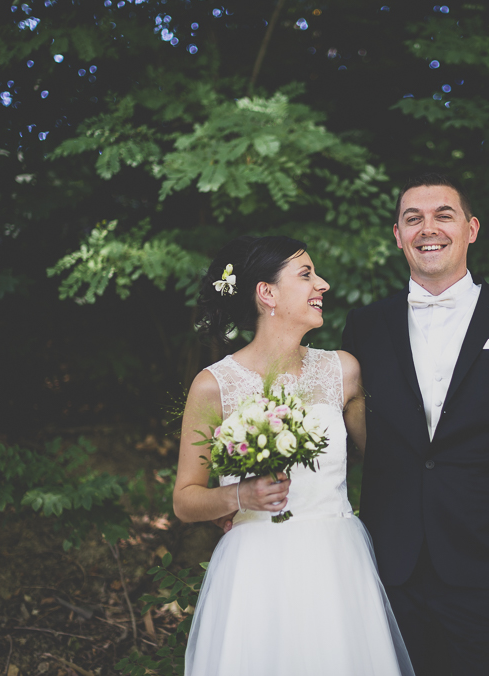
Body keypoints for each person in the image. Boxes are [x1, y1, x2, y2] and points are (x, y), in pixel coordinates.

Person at [341, 173, 489, 676]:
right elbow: (340, 440)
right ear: (397, 235)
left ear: (471, 228)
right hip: (390, 567)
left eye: (443, 214)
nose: (429, 228)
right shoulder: (364, 327)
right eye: (412, 218)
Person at [174, 235, 415, 676]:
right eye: (306, 275)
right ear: (267, 294)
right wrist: (239, 497)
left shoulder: (343, 370)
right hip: (256, 569)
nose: (322, 284)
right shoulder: (214, 385)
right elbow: (185, 499)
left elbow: (387, 458)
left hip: (337, 563)